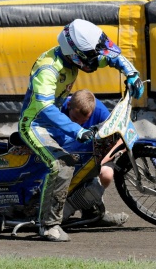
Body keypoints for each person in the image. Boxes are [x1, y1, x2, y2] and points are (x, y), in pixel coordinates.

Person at [18, 19, 144, 242]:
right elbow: (44, 108)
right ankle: (48, 225)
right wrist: (76, 130)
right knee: (62, 166)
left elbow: (111, 56)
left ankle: (91, 210)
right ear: (75, 53)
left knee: (95, 150)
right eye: (90, 56)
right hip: (36, 124)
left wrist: (131, 72)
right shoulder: (48, 69)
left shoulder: (74, 58)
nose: (95, 60)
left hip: (57, 123)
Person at [60, 89, 128, 226]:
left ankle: (93, 209)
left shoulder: (100, 111)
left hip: (96, 156)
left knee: (106, 174)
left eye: (83, 121)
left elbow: (119, 136)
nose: (78, 124)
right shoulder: (59, 108)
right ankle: (69, 208)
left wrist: (104, 160)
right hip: (69, 154)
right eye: (74, 119)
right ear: (69, 107)